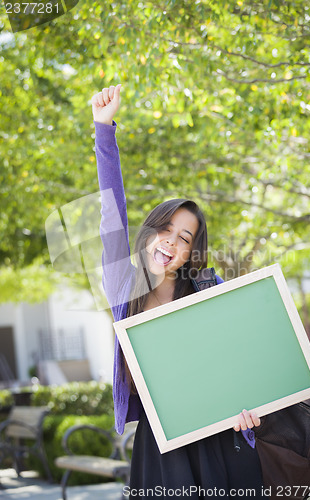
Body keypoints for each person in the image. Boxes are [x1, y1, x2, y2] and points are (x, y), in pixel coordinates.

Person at [92, 84, 266, 499]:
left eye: (184, 237)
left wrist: (250, 408)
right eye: (165, 229)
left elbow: (245, 353)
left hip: (219, 433)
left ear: (192, 251)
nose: (171, 242)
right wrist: (103, 129)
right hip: (161, 440)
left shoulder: (207, 287)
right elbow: (110, 209)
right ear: (149, 231)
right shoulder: (124, 284)